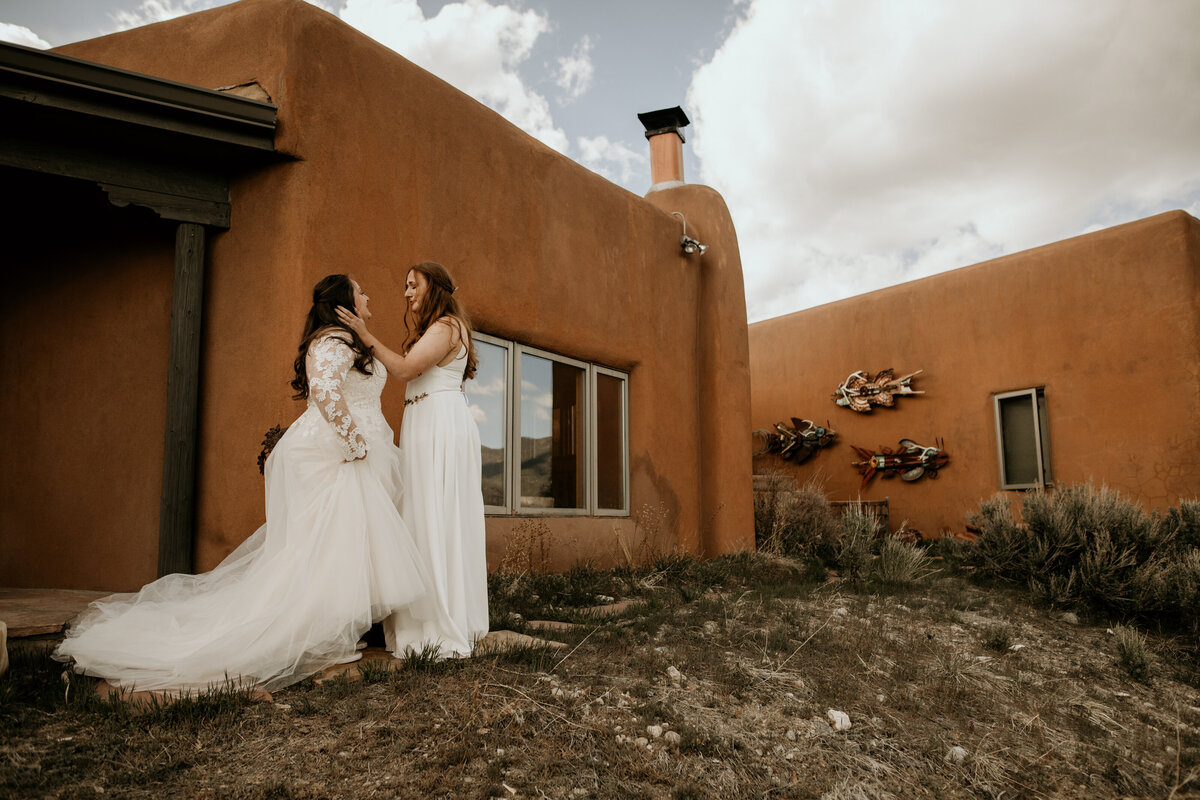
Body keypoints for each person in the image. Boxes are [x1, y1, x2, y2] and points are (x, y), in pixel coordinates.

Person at [54, 275, 432, 692]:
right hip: (341, 456)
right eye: (361, 291)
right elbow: (324, 392)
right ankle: (323, 635)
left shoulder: (351, 342)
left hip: (358, 454)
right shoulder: (331, 343)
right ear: (343, 302)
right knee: (326, 547)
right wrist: (353, 443)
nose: (368, 296)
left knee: (342, 545)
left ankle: (340, 629)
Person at [337, 261, 488, 657]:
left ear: (433, 288)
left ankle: (441, 618)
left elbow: (405, 369)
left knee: (437, 514)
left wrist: (364, 335)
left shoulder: (446, 327)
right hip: (424, 424)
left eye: (412, 285)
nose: (406, 293)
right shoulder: (433, 329)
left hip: (440, 427)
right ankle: (420, 614)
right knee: (420, 514)